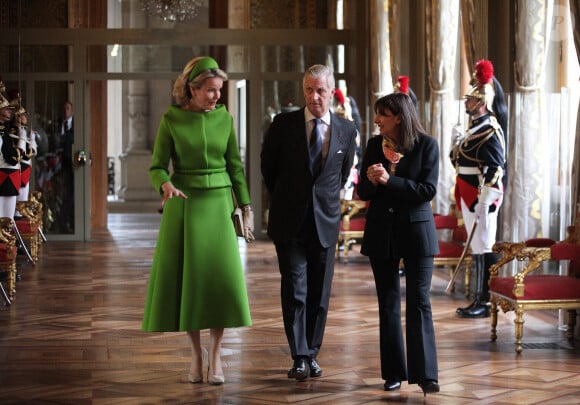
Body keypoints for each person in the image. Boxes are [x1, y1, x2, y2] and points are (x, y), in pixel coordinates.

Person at [142, 56, 254, 386]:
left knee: (218, 283)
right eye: (210, 90)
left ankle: (216, 356)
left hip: (219, 205)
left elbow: (235, 166)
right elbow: (157, 166)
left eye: (219, 90)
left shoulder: (225, 119)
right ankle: (195, 354)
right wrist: (164, 183)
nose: (216, 96)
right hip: (185, 204)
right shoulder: (172, 120)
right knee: (191, 283)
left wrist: (245, 206)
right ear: (191, 89)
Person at [261, 64, 357, 381]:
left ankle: (313, 353)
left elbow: (341, 176)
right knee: (295, 290)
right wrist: (290, 199)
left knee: (319, 294)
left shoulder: (346, 130)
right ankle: (299, 356)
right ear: (303, 91)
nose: (314, 97)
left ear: (331, 92)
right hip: (289, 223)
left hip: (325, 224)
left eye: (321, 90)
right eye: (309, 90)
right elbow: (269, 171)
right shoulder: (282, 125)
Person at [357, 92, 440, 396]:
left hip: (417, 233)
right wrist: (372, 179)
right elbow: (362, 191)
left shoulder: (427, 145)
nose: (376, 119)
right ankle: (392, 373)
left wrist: (389, 181)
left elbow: (427, 190)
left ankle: (426, 374)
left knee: (419, 301)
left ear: (399, 117)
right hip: (382, 232)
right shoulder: (372, 146)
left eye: (382, 114)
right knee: (388, 303)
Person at [450, 59, 507, 318]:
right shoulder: (474, 129)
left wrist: (486, 196)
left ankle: (485, 299)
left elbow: (496, 166)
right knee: (477, 245)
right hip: (467, 190)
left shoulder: (490, 129)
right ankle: (478, 297)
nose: (466, 103)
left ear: (482, 102)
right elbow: (459, 161)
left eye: (470, 100)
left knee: (485, 244)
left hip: (482, 194)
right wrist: (455, 144)